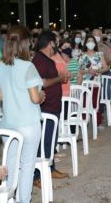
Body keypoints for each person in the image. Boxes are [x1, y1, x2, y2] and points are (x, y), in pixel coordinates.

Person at [0, 25, 45, 202]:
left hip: (9, 125)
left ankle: (7, 198)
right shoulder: (27, 66)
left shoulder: (0, 66)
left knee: (11, 165)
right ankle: (24, 200)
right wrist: (41, 95)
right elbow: (34, 98)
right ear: (25, 43)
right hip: (28, 123)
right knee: (27, 166)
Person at [32, 31, 69, 188]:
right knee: (43, 141)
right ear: (50, 43)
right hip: (46, 108)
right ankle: (36, 176)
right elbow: (41, 83)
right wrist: (60, 78)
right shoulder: (39, 60)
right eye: (56, 42)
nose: (57, 45)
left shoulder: (47, 59)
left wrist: (60, 78)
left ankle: (51, 167)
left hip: (53, 106)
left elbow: (50, 80)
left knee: (51, 140)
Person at [78, 35, 109, 129]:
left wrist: (98, 71)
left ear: (95, 43)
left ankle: (98, 122)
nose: (90, 43)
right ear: (85, 43)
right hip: (85, 83)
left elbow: (106, 67)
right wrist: (88, 71)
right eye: (88, 41)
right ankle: (84, 121)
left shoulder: (99, 54)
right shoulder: (82, 55)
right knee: (84, 103)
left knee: (96, 103)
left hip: (96, 83)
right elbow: (79, 70)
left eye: (92, 41)